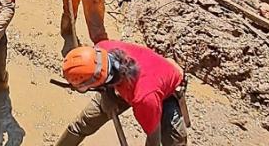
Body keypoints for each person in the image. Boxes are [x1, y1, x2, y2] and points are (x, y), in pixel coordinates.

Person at [56, 40, 189, 146]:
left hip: (165, 91)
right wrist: (107, 96)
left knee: (174, 141)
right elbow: (106, 79)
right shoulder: (102, 49)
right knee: (85, 122)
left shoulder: (144, 98)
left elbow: (153, 137)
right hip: (121, 84)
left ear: (96, 80)